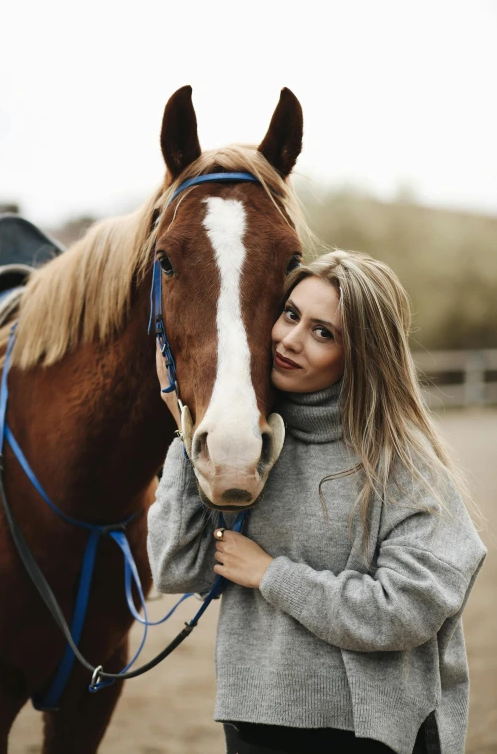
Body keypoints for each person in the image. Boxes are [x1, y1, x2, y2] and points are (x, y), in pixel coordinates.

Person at [147, 249, 486, 754]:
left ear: (363, 354)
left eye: (323, 332)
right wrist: (187, 423)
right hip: (254, 724)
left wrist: (271, 574)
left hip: (367, 732)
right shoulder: (248, 446)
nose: (290, 339)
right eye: (290, 315)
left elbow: (408, 609)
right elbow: (177, 566)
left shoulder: (403, 464)